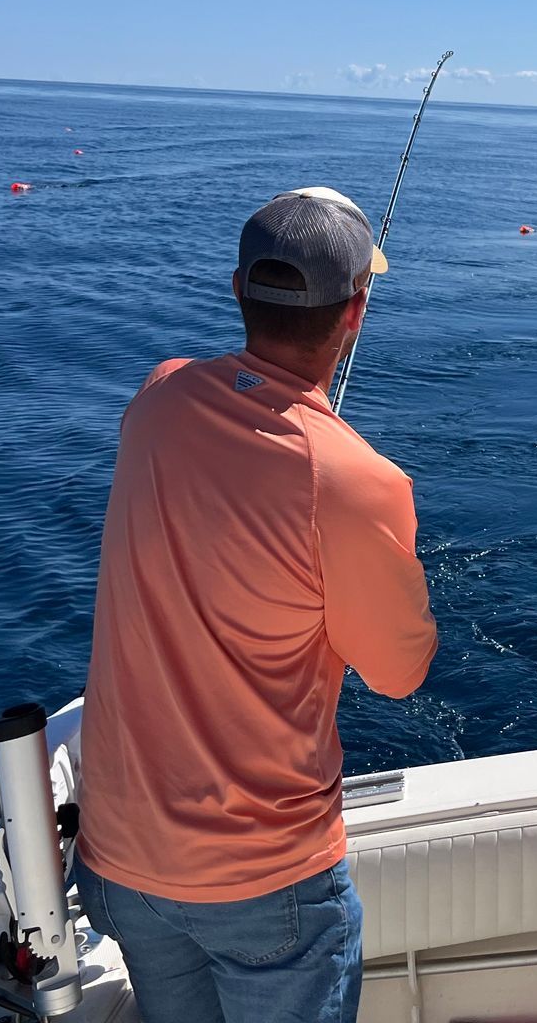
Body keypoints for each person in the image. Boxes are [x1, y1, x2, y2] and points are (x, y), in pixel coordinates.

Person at [74, 187, 438, 1023]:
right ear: (356, 312)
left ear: (237, 288)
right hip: (261, 884)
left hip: (120, 861)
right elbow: (400, 673)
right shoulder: (359, 482)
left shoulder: (158, 398)